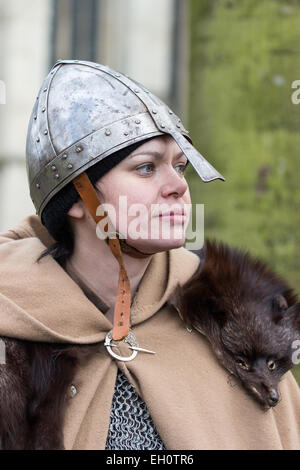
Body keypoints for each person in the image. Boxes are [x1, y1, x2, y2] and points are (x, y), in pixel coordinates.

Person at [0, 60, 299, 450]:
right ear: (77, 198)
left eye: (180, 166)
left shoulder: (235, 323)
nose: (178, 186)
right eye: (146, 168)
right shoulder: (11, 338)